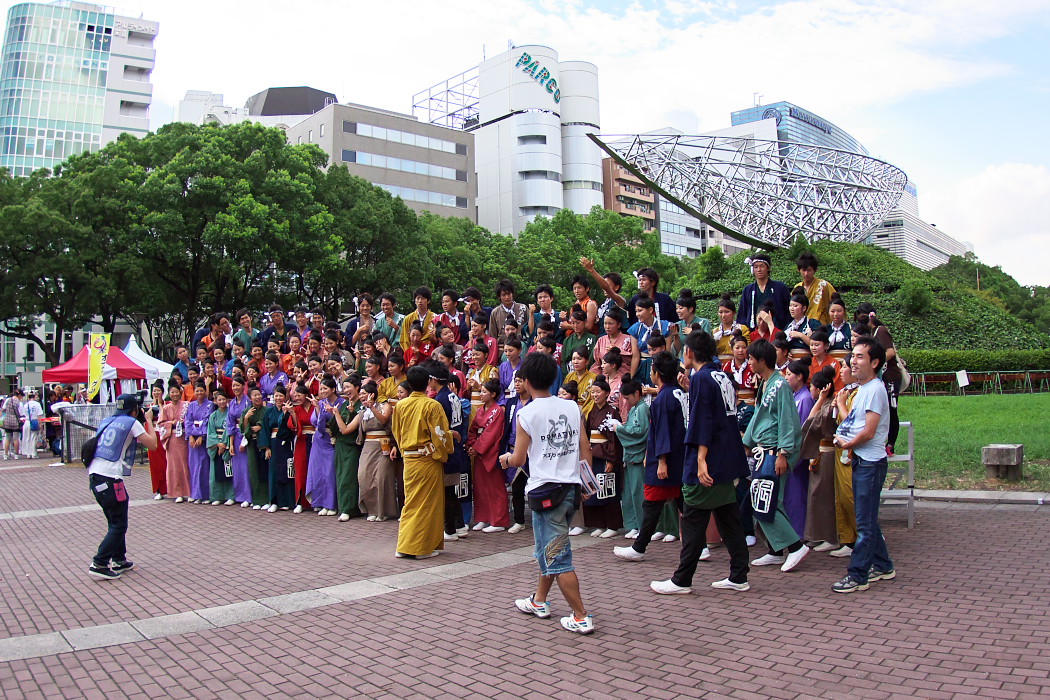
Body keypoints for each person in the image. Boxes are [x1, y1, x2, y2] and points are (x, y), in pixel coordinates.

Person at [651, 329, 752, 594]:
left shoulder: (701, 378)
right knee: (729, 516)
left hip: (711, 458)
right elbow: (718, 412)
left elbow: (704, 420)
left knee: (694, 517)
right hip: (729, 456)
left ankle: (682, 579)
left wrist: (701, 458)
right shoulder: (722, 376)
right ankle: (739, 575)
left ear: (689, 353)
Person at [502, 351, 594, 634]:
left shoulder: (526, 413)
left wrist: (505, 459)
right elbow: (585, 447)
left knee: (557, 554)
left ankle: (581, 616)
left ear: (526, 381)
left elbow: (518, 459)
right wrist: (588, 484)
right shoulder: (571, 407)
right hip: (571, 488)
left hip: (546, 491)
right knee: (549, 547)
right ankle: (539, 600)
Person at [831, 337, 896, 593]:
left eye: (859, 357)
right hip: (861, 461)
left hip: (869, 463)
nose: (852, 362)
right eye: (853, 356)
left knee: (865, 525)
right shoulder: (862, 389)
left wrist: (847, 445)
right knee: (867, 519)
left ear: (875, 362)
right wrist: (841, 405)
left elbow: (868, 432)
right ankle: (883, 565)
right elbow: (852, 424)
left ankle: (858, 575)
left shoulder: (875, 390)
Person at [741, 339, 809, 573]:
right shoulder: (767, 384)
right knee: (767, 501)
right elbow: (760, 417)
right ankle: (775, 549)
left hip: (773, 452)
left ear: (761, 360)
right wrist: (746, 443)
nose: (748, 362)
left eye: (751, 358)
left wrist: (783, 452)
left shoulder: (780, 386)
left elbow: (788, 421)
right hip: (763, 451)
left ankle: (795, 546)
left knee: (764, 501)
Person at [613, 351, 686, 561]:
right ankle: (698, 546)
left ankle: (639, 547)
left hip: (666, 460)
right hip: (680, 457)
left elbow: (662, 431)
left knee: (653, 502)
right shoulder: (680, 393)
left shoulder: (662, 398)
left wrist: (661, 461)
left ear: (656, 373)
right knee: (682, 504)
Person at [85, 393, 158, 580]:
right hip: (110, 479)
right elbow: (153, 445)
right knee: (119, 524)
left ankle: (119, 559)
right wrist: (148, 420)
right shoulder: (132, 422)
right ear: (135, 410)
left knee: (114, 520)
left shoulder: (108, 420)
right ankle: (100, 562)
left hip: (95, 476)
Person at [391, 365, 454, 559]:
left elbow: (397, 432)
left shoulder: (400, 405)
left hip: (409, 458)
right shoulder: (431, 405)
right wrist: (444, 452)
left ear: (409, 384)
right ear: (428, 382)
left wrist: (405, 450)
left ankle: (407, 545)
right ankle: (419, 547)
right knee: (427, 503)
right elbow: (440, 434)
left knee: (411, 502)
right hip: (427, 459)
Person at [800, 365, 840, 552]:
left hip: (828, 454)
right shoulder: (825, 403)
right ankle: (817, 534)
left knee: (824, 496)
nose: (810, 390)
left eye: (812, 387)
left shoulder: (830, 405)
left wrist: (822, 399)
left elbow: (811, 422)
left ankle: (829, 536)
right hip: (820, 453)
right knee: (816, 496)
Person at [855, 302, 902, 454]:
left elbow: (890, 352)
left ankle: (891, 444)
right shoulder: (871, 333)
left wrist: (876, 361)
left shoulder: (880, 331)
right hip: (881, 377)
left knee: (891, 409)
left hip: (890, 376)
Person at [582, 378, 624, 538]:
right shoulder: (592, 412)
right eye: (592, 392)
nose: (594, 395)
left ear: (606, 393)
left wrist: (612, 460)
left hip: (606, 454)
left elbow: (614, 438)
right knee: (594, 489)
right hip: (594, 454)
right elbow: (587, 435)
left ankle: (612, 525)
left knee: (608, 489)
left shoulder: (612, 412)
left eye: (598, 392)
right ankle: (598, 524)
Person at [468, 378, 507, 532]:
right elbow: (473, 429)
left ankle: (498, 521)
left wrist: (477, 447)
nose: (481, 394)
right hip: (479, 452)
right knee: (479, 487)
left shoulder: (498, 411)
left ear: (493, 394)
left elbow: (491, 433)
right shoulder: (480, 410)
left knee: (495, 487)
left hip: (491, 452)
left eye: (484, 392)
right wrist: (471, 445)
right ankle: (482, 518)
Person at [783, 357, 815, 537]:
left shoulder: (804, 399)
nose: (786, 378)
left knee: (797, 495)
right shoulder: (795, 396)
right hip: (792, 455)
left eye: (789, 374)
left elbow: (802, 430)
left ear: (800, 376)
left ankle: (799, 532)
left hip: (798, 456)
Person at [614, 380, 648, 540]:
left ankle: (642, 525)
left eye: (628, 398)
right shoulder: (636, 408)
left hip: (637, 457)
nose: (626, 402)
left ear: (637, 393)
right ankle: (633, 524)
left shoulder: (642, 409)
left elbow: (638, 432)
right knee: (629, 493)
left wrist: (619, 428)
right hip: (631, 457)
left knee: (638, 492)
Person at [305, 377, 342, 516]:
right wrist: (318, 409)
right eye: (321, 388)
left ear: (333, 389)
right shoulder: (320, 403)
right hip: (319, 440)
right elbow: (315, 422)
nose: (322, 391)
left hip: (332, 439)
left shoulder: (341, 403)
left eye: (325, 388)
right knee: (318, 471)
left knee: (330, 472)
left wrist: (333, 413)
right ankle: (320, 502)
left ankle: (331, 504)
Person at [329, 377, 363, 521]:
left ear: (357, 387)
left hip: (352, 445)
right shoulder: (343, 405)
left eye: (349, 387)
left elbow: (349, 427)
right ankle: (342, 506)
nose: (346, 390)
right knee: (340, 475)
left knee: (349, 477)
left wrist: (348, 414)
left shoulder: (361, 405)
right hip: (340, 445)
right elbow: (335, 427)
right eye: (344, 387)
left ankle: (350, 508)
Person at [501, 373, 531, 534]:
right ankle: (519, 520)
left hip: (533, 452)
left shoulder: (535, 403)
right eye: (515, 381)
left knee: (535, 487)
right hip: (514, 448)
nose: (517, 384)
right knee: (517, 488)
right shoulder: (511, 402)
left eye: (520, 381)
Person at [738, 253, 791, 330]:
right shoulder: (748, 290)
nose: (759, 270)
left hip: (777, 330)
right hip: (754, 331)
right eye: (756, 267)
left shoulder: (780, 287)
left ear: (768, 268)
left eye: (762, 266)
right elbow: (743, 313)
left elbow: (787, 310)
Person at [158, 380, 190, 503]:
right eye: (172, 392)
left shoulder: (187, 405)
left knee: (186, 465)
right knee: (174, 467)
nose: (175, 394)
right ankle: (178, 492)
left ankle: (189, 491)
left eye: (177, 392)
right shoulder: (166, 408)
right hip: (172, 439)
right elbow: (160, 424)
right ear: (169, 394)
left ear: (180, 392)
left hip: (184, 439)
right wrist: (171, 423)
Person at [184, 381, 214, 504]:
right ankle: (195, 493)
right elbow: (188, 421)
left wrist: (201, 435)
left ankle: (205, 494)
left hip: (203, 439)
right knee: (194, 466)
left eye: (202, 390)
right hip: (193, 440)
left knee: (204, 466)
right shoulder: (191, 405)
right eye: (197, 391)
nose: (199, 393)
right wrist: (191, 435)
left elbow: (207, 420)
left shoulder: (210, 405)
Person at [225, 376, 253, 508]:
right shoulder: (232, 403)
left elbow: (249, 422)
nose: (235, 388)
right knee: (236, 468)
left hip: (245, 436)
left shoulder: (248, 402)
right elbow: (230, 424)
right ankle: (238, 495)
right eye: (233, 386)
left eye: (238, 385)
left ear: (243, 386)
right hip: (235, 437)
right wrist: (231, 443)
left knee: (246, 468)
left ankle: (248, 496)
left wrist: (244, 441)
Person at [590, 307, 638, 379]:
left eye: (610, 324)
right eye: (605, 323)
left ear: (619, 325)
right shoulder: (601, 340)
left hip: (623, 376)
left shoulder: (627, 339)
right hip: (605, 379)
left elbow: (631, 359)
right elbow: (598, 363)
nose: (607, 327)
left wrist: (617, 351)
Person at [288, 384, 315, 513]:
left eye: (299, 395)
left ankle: (316, 500)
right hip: (302, 441)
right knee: (300, 471)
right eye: (295, 396)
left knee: (316, 470)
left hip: (316, 441)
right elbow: (293, 426)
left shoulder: (315, 406)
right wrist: (292, 413)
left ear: (306, 395)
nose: (297, 398)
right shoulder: (296, 409)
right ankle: (300, 501)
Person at [206, 389, 235, 506]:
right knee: (215, 472)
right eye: (219, 400)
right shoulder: (213, 416)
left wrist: (224, 444)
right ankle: (217, 496)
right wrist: (218, 444)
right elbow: (210, 432)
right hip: (216, 446)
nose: (222, 402)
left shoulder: (230, 414)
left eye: (224, 399)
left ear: (227, 400)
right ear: (215, 401)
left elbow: (230, 428)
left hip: (227, 443)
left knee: (228, 471)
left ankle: (230, 496)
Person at [795, 251, 836, 326]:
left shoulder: (823, 285)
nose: (806, 274)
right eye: (803, 270)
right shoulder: (797, 287)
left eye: (809, 270)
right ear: (799, 270)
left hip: (821, 326)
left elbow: (836, 302)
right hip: (801, 326)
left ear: (815, 270)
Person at [488, 279, 528, 346]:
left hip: (522, 346)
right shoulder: (495, 313)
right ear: (499, 297)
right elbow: (492, 335)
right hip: (502, 348)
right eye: (503, 295)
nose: (507, 297)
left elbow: (529, 329)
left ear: (512, 294)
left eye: (509, 294)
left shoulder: (523, 308)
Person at [146, 381, 167, 500]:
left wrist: (160, 405)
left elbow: (165, 417)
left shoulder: (167, 405)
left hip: (164, 436)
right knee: (155, 465)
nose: (156, 392)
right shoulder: (149, 407)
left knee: (166, 463)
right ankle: (159, 490)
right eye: (154, 391)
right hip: (153, 436)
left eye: (158, 390)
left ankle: (169, 488)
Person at [675, 289, 710, 356]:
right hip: (684, 361)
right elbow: (675, 351)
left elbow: (708, 343)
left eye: (681, 308)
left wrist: (694, 333)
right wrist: (676, 336)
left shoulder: (704, 323)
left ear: (691, 309)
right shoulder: (678, 325)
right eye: (677, 308)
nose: (678, 311)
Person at [564, 347, 597, 420]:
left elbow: (592, 400)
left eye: (579, 359)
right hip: (569, 410)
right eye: (573, 359)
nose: (575, 362)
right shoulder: (569, 377)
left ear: (587, 361)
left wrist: (583, 413)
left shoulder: (593, 378)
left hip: (585, 411)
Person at [713, 294, 750, 358]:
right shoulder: (715, 332)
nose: (723, 315)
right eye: (720, 312)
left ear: (734, 313)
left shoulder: (742, 329)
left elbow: (747, 349)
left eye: (727, 312)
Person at [560, 311, 596, 375]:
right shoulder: (567, 340)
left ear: (585, 322)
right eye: (573, 323)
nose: (575, 326)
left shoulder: (592, 338)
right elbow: (563, 361)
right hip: (570, 373)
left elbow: (591, 359)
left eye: (578, 323)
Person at [19, 389, 43, 459]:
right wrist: (40, 424)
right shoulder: (37, 404)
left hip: (27, 422)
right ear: (34, 397)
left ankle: (27, 453)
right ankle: (33, 453)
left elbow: (23, 414)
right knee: (33, 438)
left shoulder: (26, 405)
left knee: (27, 438)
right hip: (35, 422)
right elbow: (39, 415)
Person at [2, 389, 23, 459]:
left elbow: (3, 409)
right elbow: (21, 413)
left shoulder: (8, 400)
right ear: (19, 395)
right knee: (15, 438)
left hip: (7, 421)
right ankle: (16, 455)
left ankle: (5, 454)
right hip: (15, 422)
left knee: (7, 438)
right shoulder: (19, 403)